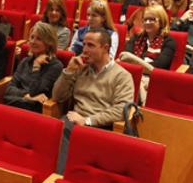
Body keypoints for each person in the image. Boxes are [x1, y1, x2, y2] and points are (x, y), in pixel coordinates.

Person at [53, 27, 135, 172]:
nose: (84, 49)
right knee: (56, 129)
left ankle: (59, 180)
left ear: (105, 48)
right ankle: (55, 179)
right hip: (74, 122)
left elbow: (121, 110)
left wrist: (88, 121)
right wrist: (68, 71)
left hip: (101, 127)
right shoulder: (81, 68)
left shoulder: (122, 76)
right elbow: (57, 96)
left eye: (90, 45)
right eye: (84, 44)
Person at [118, 5, 176, 103]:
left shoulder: (168, 41)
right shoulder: (136, 37)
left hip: (153, 79)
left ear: (161, 21)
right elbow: (126, 58)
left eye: (152, 19)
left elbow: (159, 66)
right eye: (145, 19)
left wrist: (135, 65)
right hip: (131, 74)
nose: (147, 22)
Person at [4, 22, 63, 112]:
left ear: (49, 43)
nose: (33, 42)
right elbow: (9, 89)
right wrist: (27, 97)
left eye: (38, 39)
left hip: (35, 111)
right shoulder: (25, 61)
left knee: (9, 100)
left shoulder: (55, 66)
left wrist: (36, 66)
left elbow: (35, 91)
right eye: (32, 37)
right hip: (21, 104)